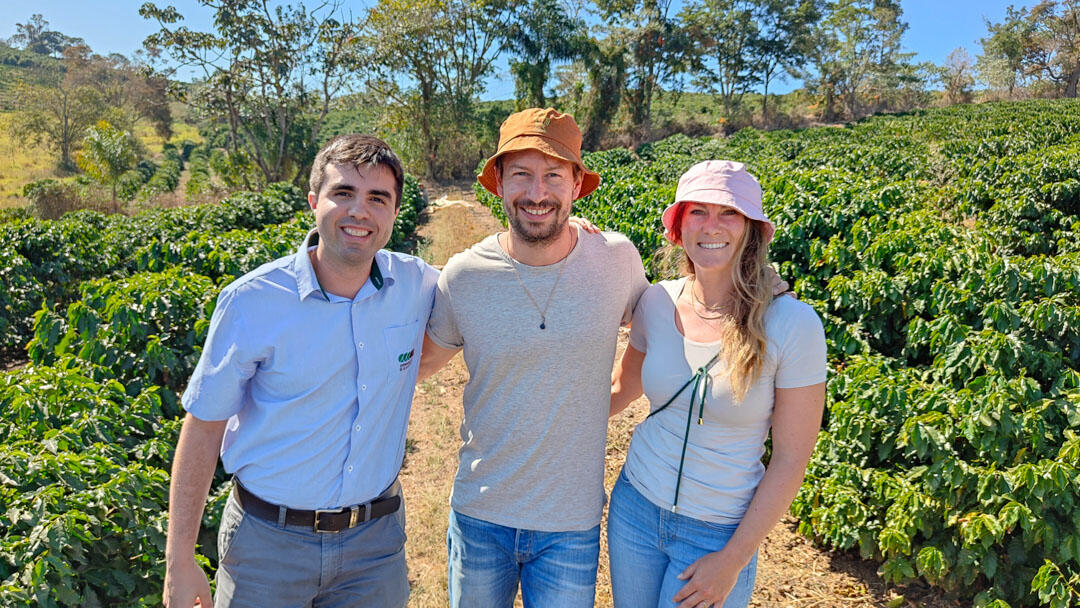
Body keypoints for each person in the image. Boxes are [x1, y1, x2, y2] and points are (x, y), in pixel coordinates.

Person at [163, 134, 438, 608]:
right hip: (268, 545)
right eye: (343, 193)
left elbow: (492, 276)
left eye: (378, 198)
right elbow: (203, 427)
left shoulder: (417, 284)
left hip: (374, 549)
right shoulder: (252, 301)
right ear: (314, 202)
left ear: (395, 213)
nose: (360, 212)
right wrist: (179, 562)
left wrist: (568, 230)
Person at [417, 108, 651, 607]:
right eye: (521, 174)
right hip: (481, 515)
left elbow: (662, 334)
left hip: (570, 524)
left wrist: (591, 405)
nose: (537, 192)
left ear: (576, 184)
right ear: (498, 182)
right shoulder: (464, 275)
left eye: (553, 176)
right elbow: (415, 366)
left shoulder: (615, 259)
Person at [607, 160, 827, 608]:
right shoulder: (656, 300)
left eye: (729, 213)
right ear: (679, 226)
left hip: (715, 532)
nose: (712, 226)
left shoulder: (792, 324)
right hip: (635, 508)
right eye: (698, 212)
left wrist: (732, 559)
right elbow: (617, 392)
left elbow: (790, 459)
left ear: (751, 229)